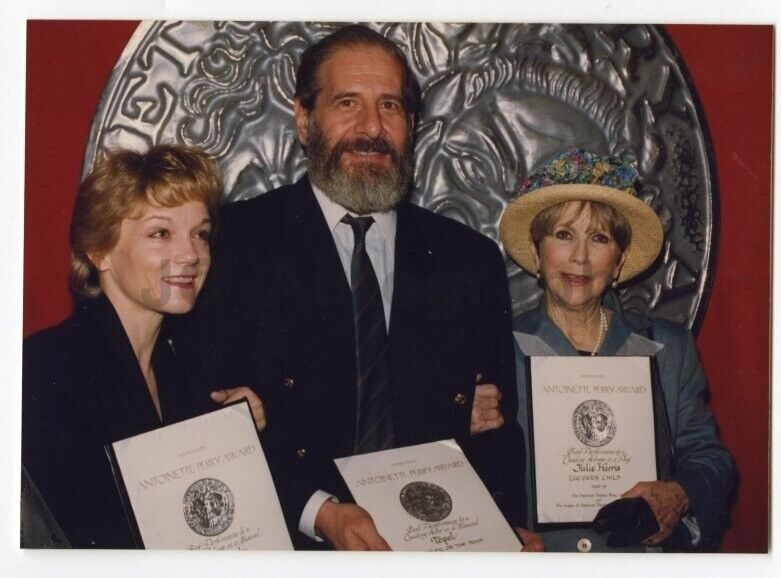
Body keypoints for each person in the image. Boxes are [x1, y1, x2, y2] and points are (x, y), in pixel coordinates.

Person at [185, 24, 535, 551]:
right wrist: (319, 513)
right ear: (304, 119)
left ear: (411, 125)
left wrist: (503, 531)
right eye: (347, 102)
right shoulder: (233, 244)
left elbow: (497, 432)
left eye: (391, 106)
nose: (371, 128)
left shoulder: (469, 260)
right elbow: (203, 424)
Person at [21, 145, 265, 548]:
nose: (190, 255)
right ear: (99, 250)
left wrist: (231, 433)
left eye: (200, 234)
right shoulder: (47, 368)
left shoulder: (184, 367)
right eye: (160, 233)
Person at [499, 148, 735, 552]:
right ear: (538, 253)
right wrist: (500, 535)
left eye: (600, 238)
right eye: (563, 235)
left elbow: (710, 459)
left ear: (620, 260)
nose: (580, 257)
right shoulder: (497, 350)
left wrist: (675, 497)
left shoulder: (670, 349)